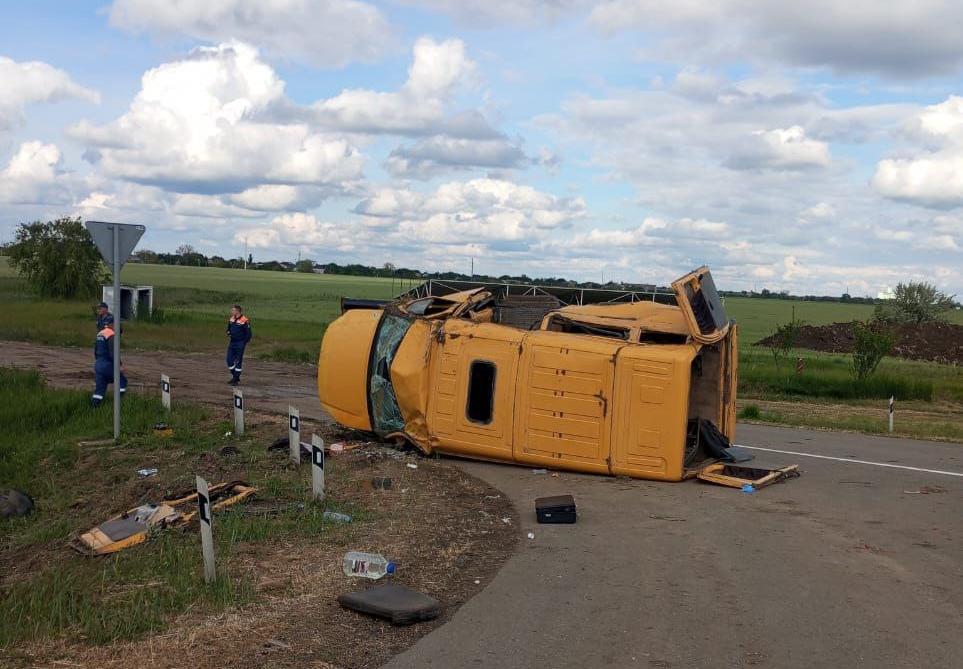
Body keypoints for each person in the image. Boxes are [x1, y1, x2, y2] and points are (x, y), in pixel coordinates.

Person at [92, 322, 127, 407]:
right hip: (107, 364)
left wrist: (99, 361)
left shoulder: (101, 333)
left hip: (98, 364)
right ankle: (119, 402)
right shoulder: (112, 335)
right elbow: (113, 353)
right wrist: (119, 365)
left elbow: (95, 350)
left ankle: (94, 406)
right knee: (122, 381)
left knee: (100, 389)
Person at [226, 304, 252, 385]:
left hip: (240, 343)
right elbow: (228, 328)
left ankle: (235, 379)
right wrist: (228, 332)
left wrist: (243, 342)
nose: (231, 311)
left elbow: (249, 334)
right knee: (229, 360)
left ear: (237, 311)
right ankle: (235, 377)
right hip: (232, 342)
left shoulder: (244, 320)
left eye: (233, 310)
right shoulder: (231, 319)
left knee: (238, 361)